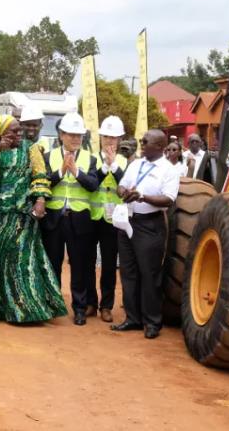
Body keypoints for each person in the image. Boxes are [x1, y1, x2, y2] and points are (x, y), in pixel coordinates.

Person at [0, 115, 66, 324]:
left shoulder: (30, 148)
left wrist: (40, 200)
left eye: (18, 130)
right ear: (0, 133)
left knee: (21, 261)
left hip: (21, 215)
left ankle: (25, 311)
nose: (18, 134)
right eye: (12, 131)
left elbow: (40, 175)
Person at [112, 129, 179, 339]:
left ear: (159, 146)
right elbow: (121, 186)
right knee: (128, 272)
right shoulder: (135, 164)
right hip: (127, 222)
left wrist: (142, 197)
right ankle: (133, 319)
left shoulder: (168, 170)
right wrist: (124, 192)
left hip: (149, 226)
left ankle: (152, 322)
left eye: (145, 141)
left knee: (149, 275)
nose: (141, 143)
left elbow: (168, 199)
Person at [40, 112, 100, 325]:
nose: (76, 139)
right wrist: (60, 172)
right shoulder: (48, 156)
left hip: (79, 219)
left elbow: (93, 185)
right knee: (53, 263)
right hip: (54, 218)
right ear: (61, 135)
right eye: (72, 135)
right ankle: (53, 305)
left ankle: (80, 308)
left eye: (79, 135)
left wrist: (76, 172)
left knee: (80, 265)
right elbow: (43, 182)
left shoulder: (90, 159)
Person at [87, 115, 127, 324]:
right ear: (100, 137)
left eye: (114, 138)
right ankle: (90, 302)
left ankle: (106, 305)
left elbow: (126, 185)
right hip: (92, 215)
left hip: (113, 219)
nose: (110, 141)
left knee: (110, 264)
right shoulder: (91, 158)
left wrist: (114, 166)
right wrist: (105, 166)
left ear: (120, 139)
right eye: (106, 137)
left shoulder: (125, 161)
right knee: (88, 262)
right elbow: (91, 181)